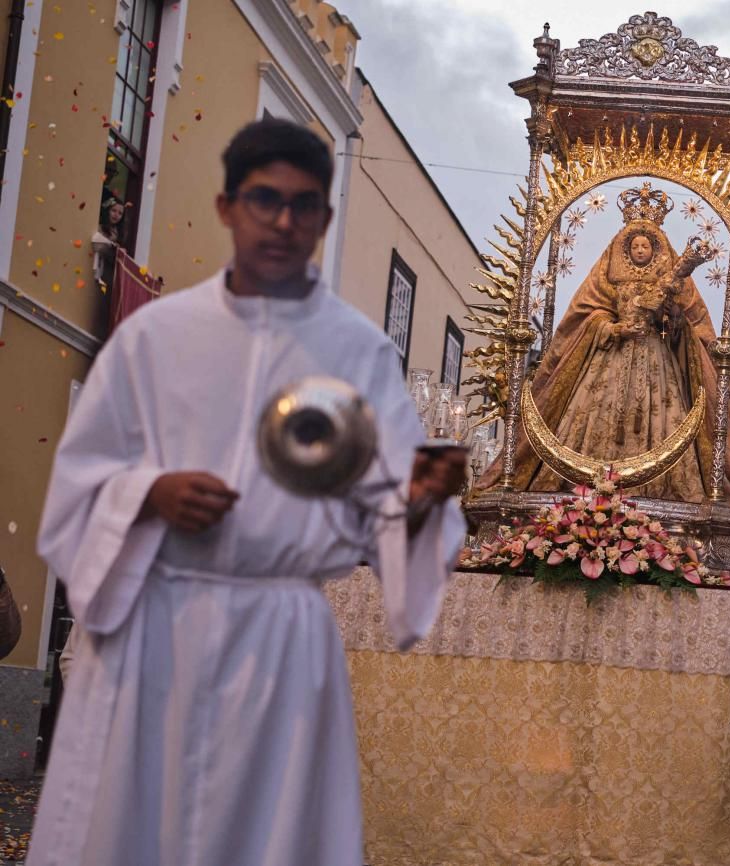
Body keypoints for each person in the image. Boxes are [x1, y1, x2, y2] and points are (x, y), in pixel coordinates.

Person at [27, 118, 468, 866]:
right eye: (265, 199)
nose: (284, 221)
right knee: (135, 831)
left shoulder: (359, 350)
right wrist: (149, 492)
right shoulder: (153, 339)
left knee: (271, 837)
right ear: (228, 205)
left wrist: (423, 495)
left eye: (305, 206)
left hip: (280, 635)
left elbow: (387, 500)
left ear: (326, 220)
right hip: (154, 629)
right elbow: (77, 484)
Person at [477, 183, 730, 525]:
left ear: (657, 249)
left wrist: (668, 315)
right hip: (608, 363)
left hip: (656, 363)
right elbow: (586, 316)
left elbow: (684, 329)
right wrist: (613, 329)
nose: (641, 250)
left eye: (647, 245)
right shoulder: (608, 279)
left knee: (664, 418)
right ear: (624, 249)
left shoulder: (673, 280)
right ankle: (587, 487)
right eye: (635, 245)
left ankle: (658, 490)